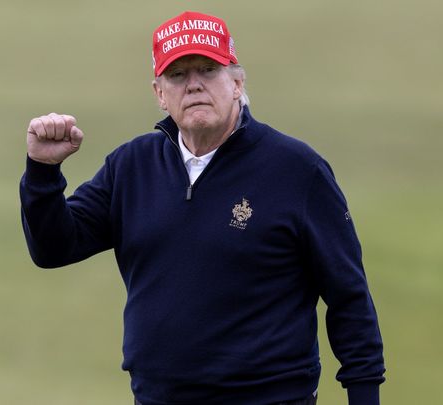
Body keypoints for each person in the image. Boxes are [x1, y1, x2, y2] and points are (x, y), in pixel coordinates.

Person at [20, 11, 385, 405]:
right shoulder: (131, 166)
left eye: (208, 70)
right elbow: (53, 248)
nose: (193, 85)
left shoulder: (297, 170)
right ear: (160, 93)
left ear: (237, 83)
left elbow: (349, 298)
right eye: (178, 75)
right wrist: (42, 171)